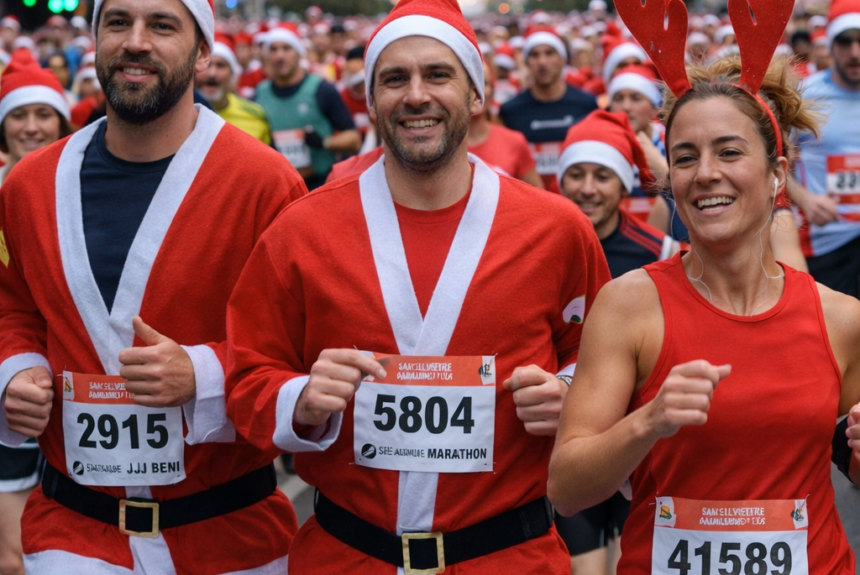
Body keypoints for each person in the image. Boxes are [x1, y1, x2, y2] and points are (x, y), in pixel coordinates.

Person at [225, 0, 610, 572]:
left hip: (509, 556)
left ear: (477, 94)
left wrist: (570, 394)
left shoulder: (557, 230)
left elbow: (602, 360)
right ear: (371, 101)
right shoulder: (301, 231)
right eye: (393, 79)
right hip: (348, 555)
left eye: (438, 74)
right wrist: (301, 399)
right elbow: (248, 374)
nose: (415, 95)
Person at [0, 0, 306, 572]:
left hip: (228, 535)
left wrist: (204, 374)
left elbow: (298, 346)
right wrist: (17, 368)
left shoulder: (266, 184)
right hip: (75, 532)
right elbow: (13, 307)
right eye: (117, 22)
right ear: (95, 40)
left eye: (162, 25)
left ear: (204, 52)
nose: (135, 41)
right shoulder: (29, 184)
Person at [548, 46, 858, 575]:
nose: (706, 173)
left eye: (730, 152)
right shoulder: (627, 304)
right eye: (685, 157)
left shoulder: (841, 319)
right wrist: (647, 421)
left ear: (778, 173)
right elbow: (568, 489)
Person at [553, 109, 678, 575]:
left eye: (602, 175)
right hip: (572, 441)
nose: (588, 187)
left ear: (624, 183)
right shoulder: (545, 246)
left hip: (641, 444)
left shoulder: (660, 252)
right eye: (576, 174)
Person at [0, 49, 73, 575]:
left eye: (43, 115)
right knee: (14, 557)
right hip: (10, 391)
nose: (31, 128)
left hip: (66, 399)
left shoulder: (85, 190)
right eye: (18, 116)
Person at [789, 0, 860, 297]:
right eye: (845, 42)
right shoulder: (806, 96)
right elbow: (770, 158)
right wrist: (803, 198)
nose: (855, 53)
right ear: (830, 44)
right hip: (827, 241)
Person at [256, 23, 361, 190]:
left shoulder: (322, 89)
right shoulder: (260, 94)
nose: (279, 56)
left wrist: (324, 142)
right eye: (274, 50)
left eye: (286, 48)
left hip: (319, 185)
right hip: (278, 188)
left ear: (298, 53)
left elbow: (354, 140)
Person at [500, 27, 598, 193]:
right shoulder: (511, 110)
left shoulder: (586, 104)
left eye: (549, 53)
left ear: (562, 59)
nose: (542, 62)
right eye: (535, 55)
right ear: (526, 61)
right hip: (530, 200)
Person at [468, 61, 544, 188]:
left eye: (484, 83)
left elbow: (539, 199)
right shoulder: (441, 145)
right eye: (470, 84)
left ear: (492, 91)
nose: (477, 90)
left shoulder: (515, 141)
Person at [195, 34, 272, 145]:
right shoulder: (175, 117)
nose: (212, 73)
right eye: (206, 64)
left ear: (232, 74)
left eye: (220, 65)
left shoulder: (255, 115)